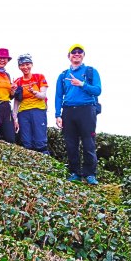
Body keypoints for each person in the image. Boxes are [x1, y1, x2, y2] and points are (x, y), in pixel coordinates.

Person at [55, 44, 102, 185]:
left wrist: (82, 84)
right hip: (68, 111)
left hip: (87, 109)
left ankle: (90, 174)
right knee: (71, 144)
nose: (76, 54)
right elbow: (58, 96)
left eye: (79, 52)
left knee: (88, 142)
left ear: (83, 55)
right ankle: (75, 173)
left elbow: (98, 90)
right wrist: (58, 115)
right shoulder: (63, 75)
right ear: (68, 56)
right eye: (73, 52)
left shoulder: (91, 71)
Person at [12, 53, 49, 154]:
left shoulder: (39, 77)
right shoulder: (18, 81)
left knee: (40, 141)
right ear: (19, 67)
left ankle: (45, 165)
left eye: (27, 64)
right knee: (26, 142)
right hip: (23, 112)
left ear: (31, 64)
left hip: (38, 110)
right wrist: (14, 117)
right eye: (22, 65)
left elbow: (43, 95)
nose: (25, 67)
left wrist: (34, 92)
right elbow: (16, 101)